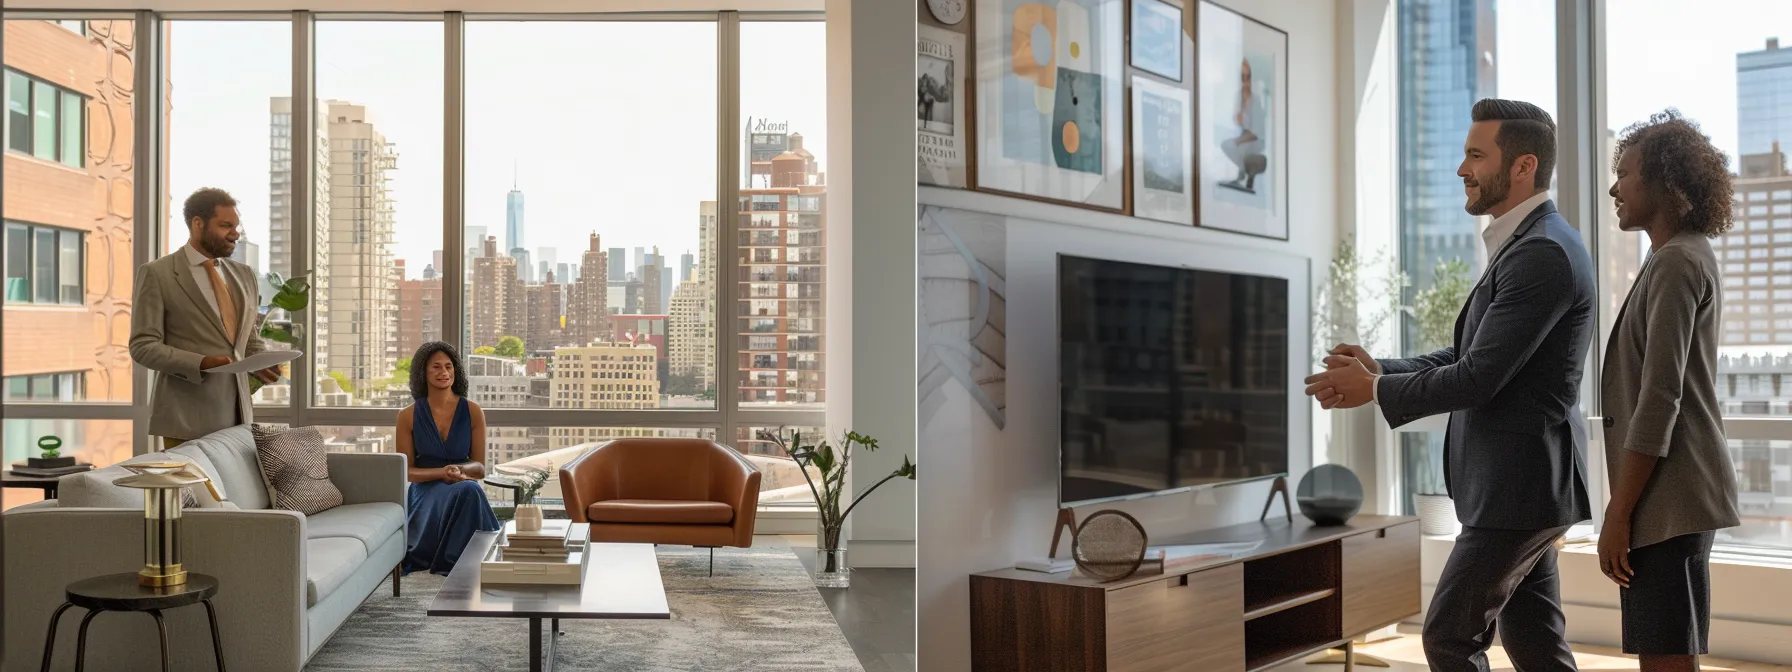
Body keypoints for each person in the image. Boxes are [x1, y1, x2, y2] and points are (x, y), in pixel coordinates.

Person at [1305, 98, 1593, 672]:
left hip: (1516, 491)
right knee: (1536, 645)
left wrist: (1375, 391)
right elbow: (1469, 357)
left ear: (1522, 166)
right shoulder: (1529, 242)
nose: (1462, 169)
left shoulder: (1540, 253)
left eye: (1475, 155)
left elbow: (1478, 377)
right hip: (1524, 487)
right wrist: (1381, 369)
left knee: (1447, 640)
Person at [1598, 109, 1740, 672]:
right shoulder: (1677, 255)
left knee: (1666, 660)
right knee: (1666, 653)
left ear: (1665, 181)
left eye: (1626, 172)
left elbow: (1660, 399)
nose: (1615, 186)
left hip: (1668, 497)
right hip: (1671, 495)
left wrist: (1618, 512)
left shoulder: (1679, 260)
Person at [129, 188, 282, 448]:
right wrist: (201, 363)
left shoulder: (244, 274)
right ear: (197, 224)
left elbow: (246, 337)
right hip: (187, 419)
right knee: (193, 491)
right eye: (225, 226)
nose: (235, 234)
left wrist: (262, 361)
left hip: (239, 418)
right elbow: (143, 347)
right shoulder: (158, 274)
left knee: (235, 490)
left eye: (236, 226)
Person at [397, 341, 500, 575]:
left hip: (460, 482)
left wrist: (458, 471)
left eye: (448, 366)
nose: (444, 372)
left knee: (469, 489)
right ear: (422, 372)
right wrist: (441, 473)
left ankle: (467, 560)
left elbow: (480, 468)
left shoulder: (473, 411)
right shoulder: (407, 416)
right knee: (470, 491)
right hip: (425, 491)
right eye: (436, 367)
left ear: (456, 371)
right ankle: (483, 557)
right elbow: (406, 471)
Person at [1219, 57, 1266, 193]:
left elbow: (1255, 132)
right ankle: (1244, 175)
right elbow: (1237, 122)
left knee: (1236, 146)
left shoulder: (1256, 101)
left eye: (1248, 77)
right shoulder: (1237, 97)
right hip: (1244, 137)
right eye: (1242, 77)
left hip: (1255, 139)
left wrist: (1238, 141)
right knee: (1227, 144)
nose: (1246, 81)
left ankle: (1245, 176)